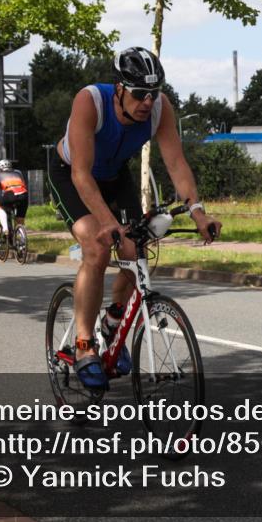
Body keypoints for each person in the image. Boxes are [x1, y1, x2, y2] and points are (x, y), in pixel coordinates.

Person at [47, 46, 222, 390]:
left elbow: (176, 164)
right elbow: (81, 174)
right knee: (97, 248)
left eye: (153, 92)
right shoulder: (90, 101)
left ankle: (113, 322)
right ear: (119, 88)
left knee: (135, 248)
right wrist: (107, 221)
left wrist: (198, 214)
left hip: (115, 176)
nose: (147, 101)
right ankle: (84, 343)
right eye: (140, 93)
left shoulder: (160, 108)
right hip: (71, 175)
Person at [0, 160, 29, 241]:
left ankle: (5, 229)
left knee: (0, 206)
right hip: (24, 195)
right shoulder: (18, 173)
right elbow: (23, 184)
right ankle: (23, 242)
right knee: (20, 221)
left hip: (10, 194)